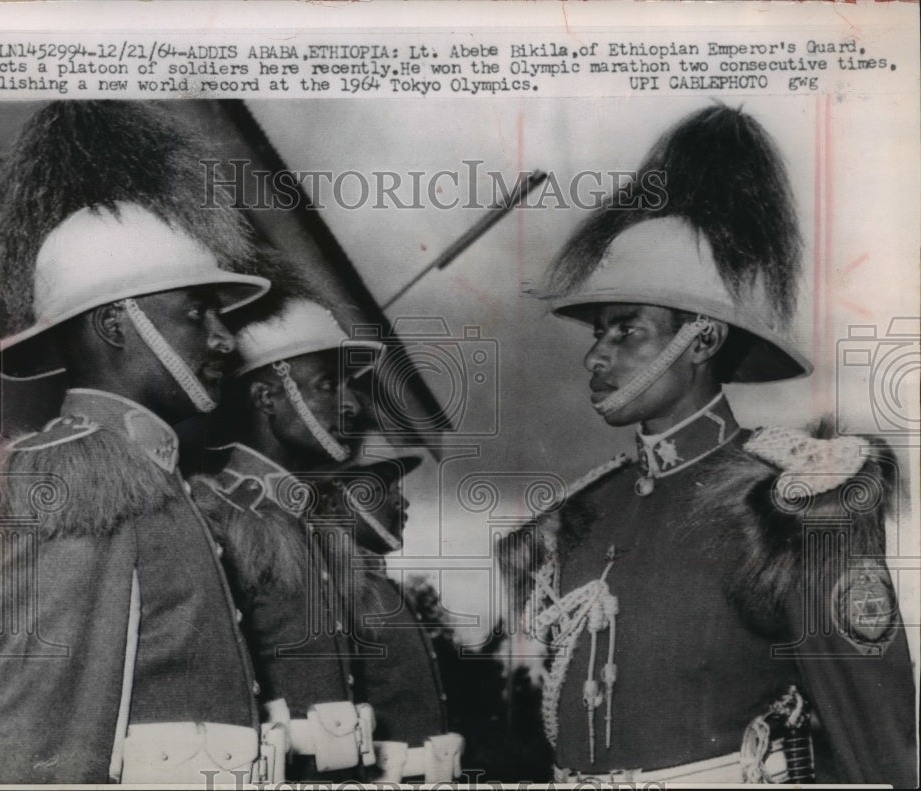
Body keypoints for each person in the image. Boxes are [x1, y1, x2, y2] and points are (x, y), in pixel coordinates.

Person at [501, 106, 917, 785]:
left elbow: (876, 739)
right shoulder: (584, 513)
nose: (596, 356)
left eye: (624, 329)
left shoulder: (796, 500)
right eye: (596, 332)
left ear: (701, 338)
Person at [0, 101, 272, 785]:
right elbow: (7, 743)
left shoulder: (147, 477)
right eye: (195, 311)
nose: (222, 337)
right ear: (118, 324)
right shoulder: (76, 483)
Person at [188, 292, 385, 780]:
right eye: (328, 384)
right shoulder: (213, 514)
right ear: (267, 398)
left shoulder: (312, 524)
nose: (351, 405)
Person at [317, 442, 465, 783]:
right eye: (385, 488)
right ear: (337, 496)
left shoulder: (376, 584)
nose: (403, 501)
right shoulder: (327, 588)